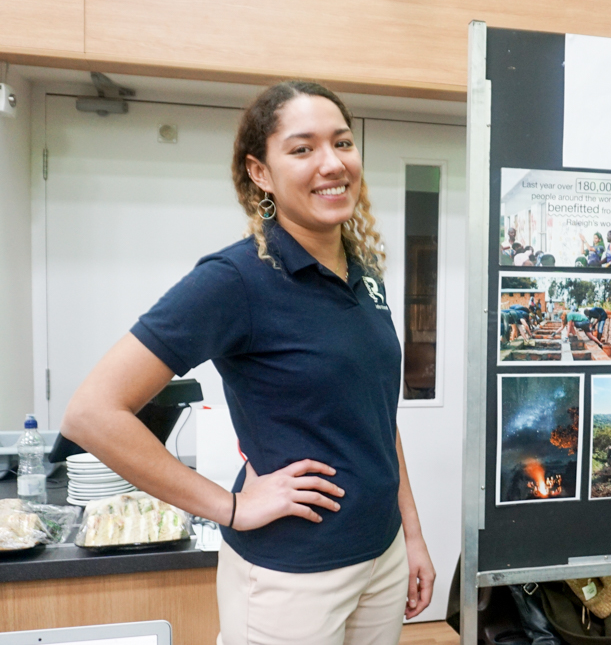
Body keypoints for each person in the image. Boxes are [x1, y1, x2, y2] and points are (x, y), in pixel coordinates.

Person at [60, 81, 435, 644]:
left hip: (380, 558)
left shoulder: (365, 275)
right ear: (260, 173)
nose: (332, 163)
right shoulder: (236, 279)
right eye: (303, 149)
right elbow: (92, 413)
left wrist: (412, 534)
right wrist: (230, 507)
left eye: (342, 142)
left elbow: (378, 417)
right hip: (290, 577)